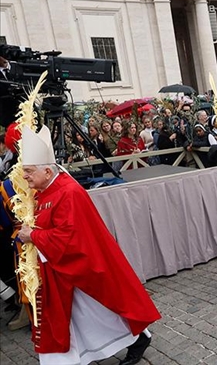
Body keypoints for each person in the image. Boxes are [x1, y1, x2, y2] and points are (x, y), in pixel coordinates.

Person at [17, 126, 161, 364]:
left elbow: (68, 238)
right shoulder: (42, 189)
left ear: (47, 170)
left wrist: (33, 236)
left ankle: (138, 337)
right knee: (87, 316)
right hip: (57, 269)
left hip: (79, 266)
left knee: (101, 309)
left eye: (29, 171)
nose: (25, 176)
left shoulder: (68, 192)